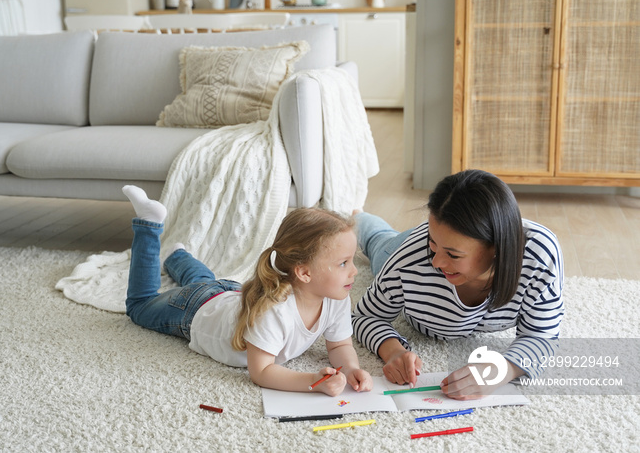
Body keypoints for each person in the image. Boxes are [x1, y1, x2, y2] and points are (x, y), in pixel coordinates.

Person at [122, 185, 373, 396]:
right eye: (343, 263)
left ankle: (177, 256)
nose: (355, 271)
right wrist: (313, 382)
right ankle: (148, 225)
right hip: (194, 310)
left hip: (228, 293)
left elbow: (339, 345)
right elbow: (261, 372)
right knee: (140, 306)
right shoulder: (275, 311)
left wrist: (350, 369)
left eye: (352, 260)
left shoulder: (336, 295)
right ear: (304, 273)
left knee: (203, 282)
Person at [351, 169, 564, 400]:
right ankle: (358, 217)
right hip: (402, 246)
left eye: (453, 255)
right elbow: (364, 317)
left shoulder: (540, 257)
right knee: (379, 241)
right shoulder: (409, 261)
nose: (437, 262)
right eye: (434, 245)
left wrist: (501, 371)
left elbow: (542, 336)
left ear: (497, 249)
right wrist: (394, 351)